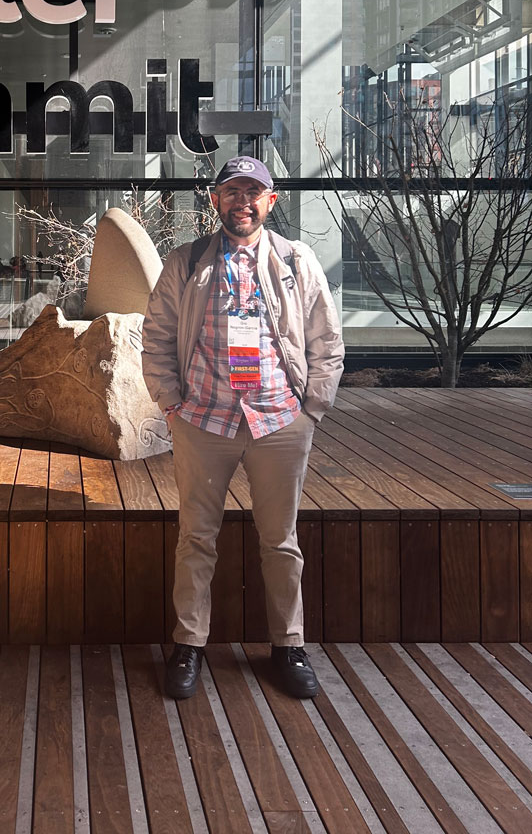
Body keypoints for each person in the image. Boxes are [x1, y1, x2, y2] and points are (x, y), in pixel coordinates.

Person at [141, 155, 344, 701]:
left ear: (270, 202)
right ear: (215, 201)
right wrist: (170, 405)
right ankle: (188, 644)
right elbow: (156, 339)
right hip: (203, 420)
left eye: (253, 192)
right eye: (231, 191)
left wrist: (312, 411)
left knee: (281, 541)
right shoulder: (185, 263)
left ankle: (288, 646)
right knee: (195, 538)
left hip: (279, 421)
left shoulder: (297, 262)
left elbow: (327, 343)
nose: (242, 202)